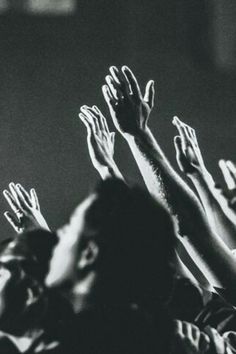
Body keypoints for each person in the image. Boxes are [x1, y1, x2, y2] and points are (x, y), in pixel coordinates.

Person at [46, 177, 178, 354]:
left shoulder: (73, 345)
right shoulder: (151, 340)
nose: (59, 234)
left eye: (70, 227)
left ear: (89, 253)